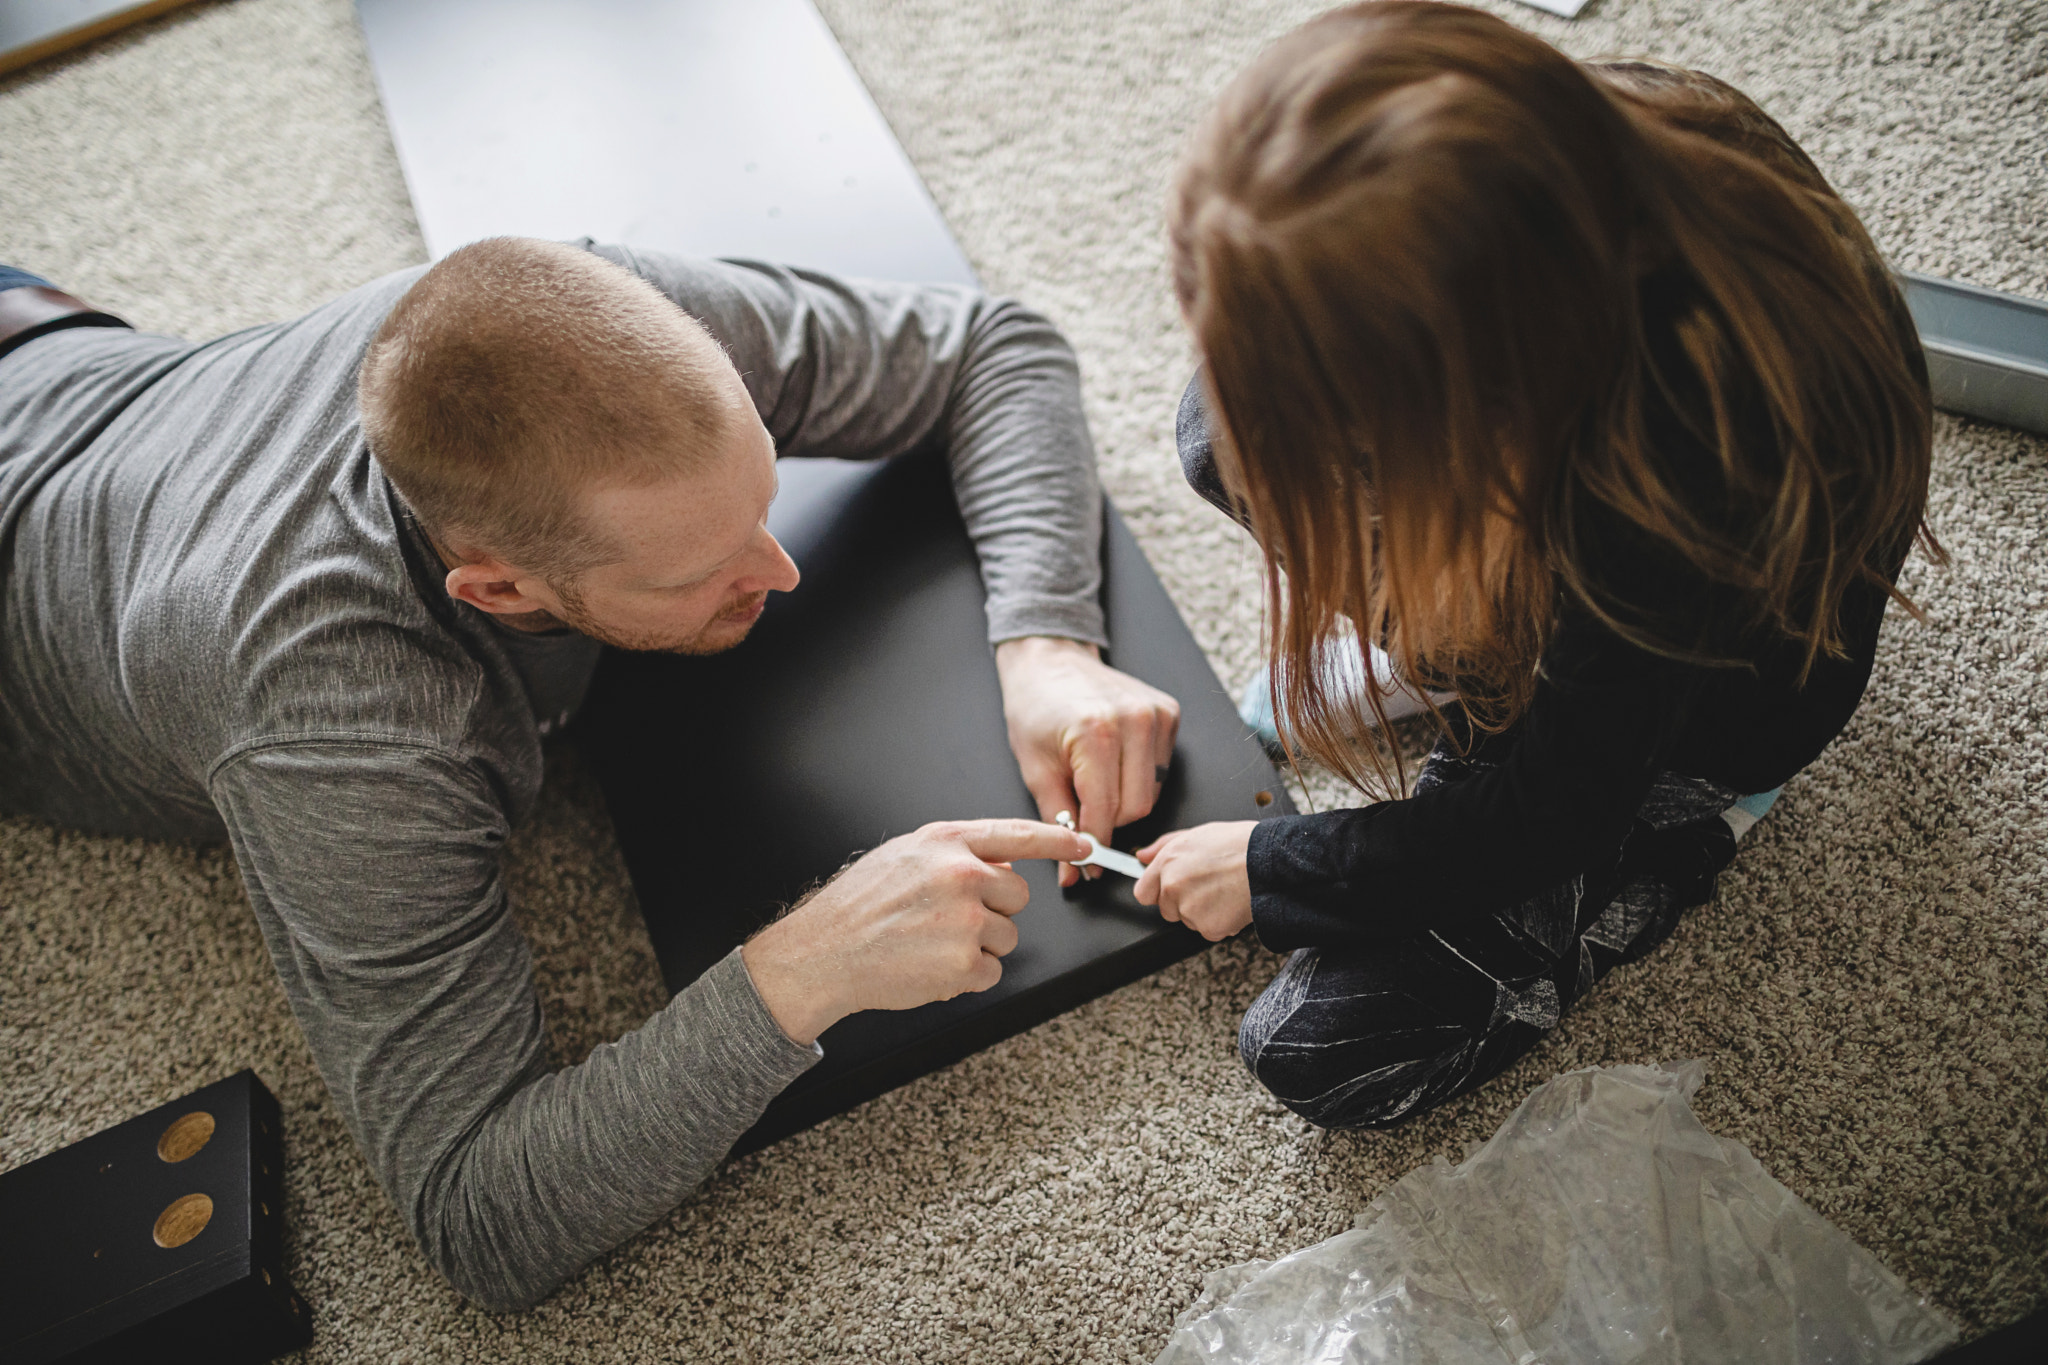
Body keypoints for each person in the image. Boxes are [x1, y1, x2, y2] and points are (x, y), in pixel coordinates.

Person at [0, 238, 1180, 1309]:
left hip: (43, 343)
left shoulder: (612, 323)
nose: (779, 572)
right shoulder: (336, 723)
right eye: (700, 574)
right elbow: (479, 1218)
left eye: (764, 492)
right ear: (499, 590)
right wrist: (801, 968)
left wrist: (1047, 643)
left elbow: (993, 343)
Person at [1133, 2, 1936, 1131]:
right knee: (1222, 439)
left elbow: (1545, 818)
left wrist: (1276, 867)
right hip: (1556, 540)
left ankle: (1695, 816)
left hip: (1706, 713)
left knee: (1313, 1051)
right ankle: (1468, 651)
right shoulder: (1543, 175)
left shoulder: (1679, 482)